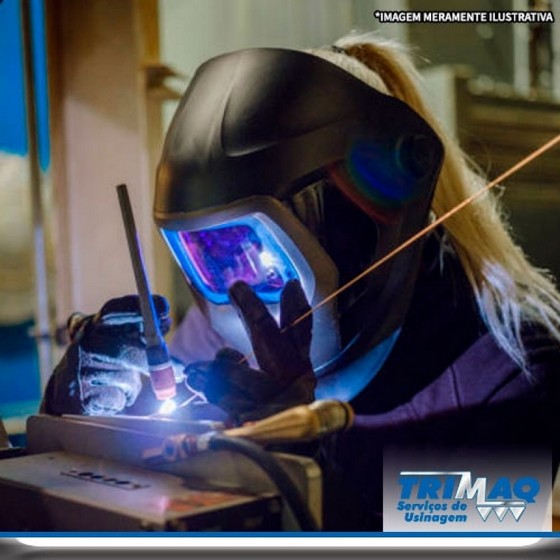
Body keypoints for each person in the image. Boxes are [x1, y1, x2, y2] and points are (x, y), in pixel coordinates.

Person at [41, 34, 560, 530]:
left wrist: (300, 475)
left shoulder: (508, 372)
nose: (243, 289)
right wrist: (84, 426)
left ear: (361, 217)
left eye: (259, 251)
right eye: (213, 254)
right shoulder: (221, 328)